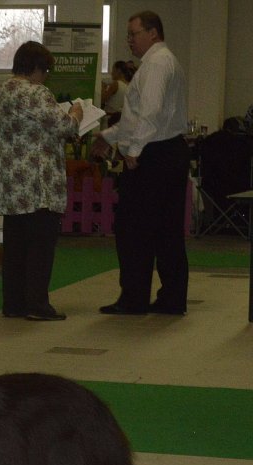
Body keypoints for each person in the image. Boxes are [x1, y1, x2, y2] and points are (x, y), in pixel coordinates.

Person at [92, 10, 189, 315]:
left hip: (154, 154)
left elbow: (150, 112)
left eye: (133, 34)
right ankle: (171, 298)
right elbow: (136, 118)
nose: (129, 40)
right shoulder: (160, 62)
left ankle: (134, 299)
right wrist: (109, 136)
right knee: (166, 230)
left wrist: (133, 150)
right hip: (166, 151)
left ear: (152, 33)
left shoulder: (157, 64)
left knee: (133, 228)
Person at [0, 41, 82, 321]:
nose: (46, 77)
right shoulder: (36, 92)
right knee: (40, 247)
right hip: (37, 182)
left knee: (15, 247)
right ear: (38, 68)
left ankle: (14, 304)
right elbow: (65, 126)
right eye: (46, 71)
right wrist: (76, 113)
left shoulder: (1, 91)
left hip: (10, 179)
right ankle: (37, 305)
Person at [101, 60, 134, 126]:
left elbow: (102, 99)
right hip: (121, 120)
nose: (111, 73)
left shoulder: (116, 84)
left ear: (118, 71)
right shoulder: (129, 85)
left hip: (110, 119)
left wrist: (103, 87)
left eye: (113, 70)